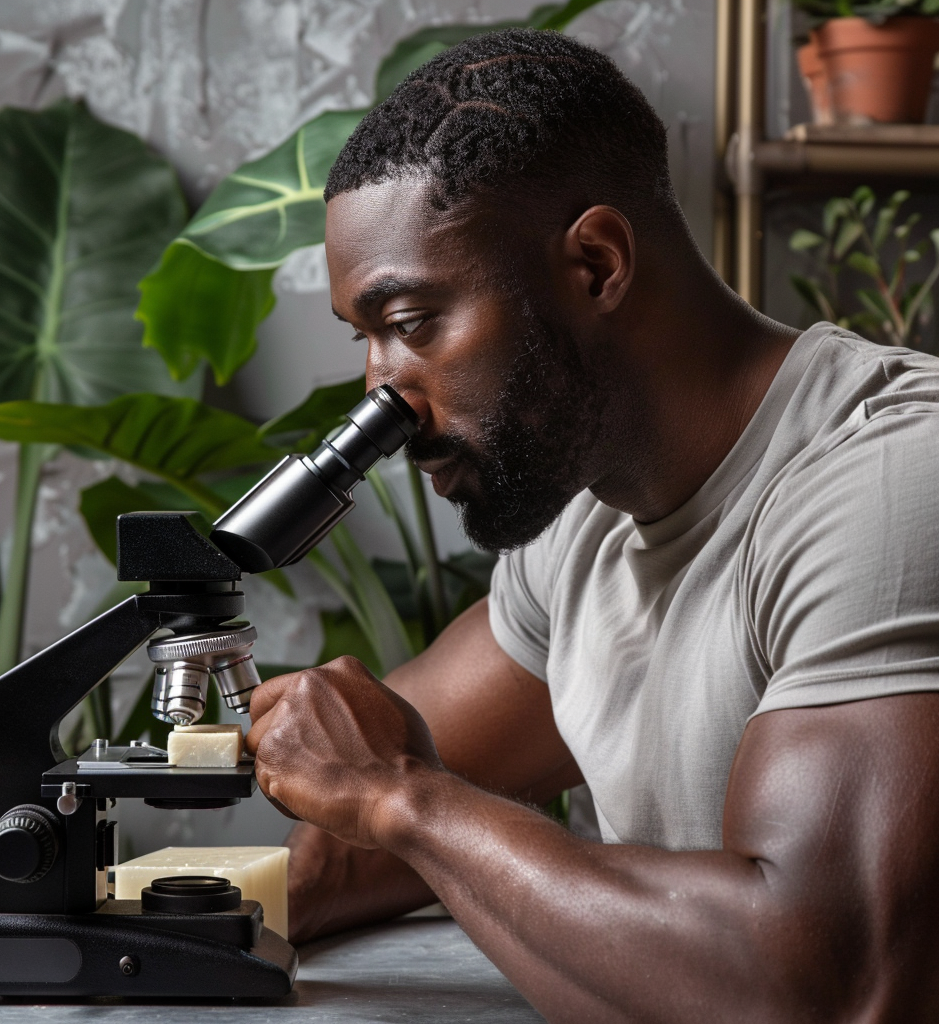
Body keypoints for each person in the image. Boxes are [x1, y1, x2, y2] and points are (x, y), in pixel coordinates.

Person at [245, 28, 939, 1021]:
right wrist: (205, 916)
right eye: (365, 340)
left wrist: (404, 793)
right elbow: (355, 841)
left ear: (596, 263)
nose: (384, 398)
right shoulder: (580, 524)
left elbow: (829, 987)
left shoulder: (889, 484)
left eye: (412, 324)